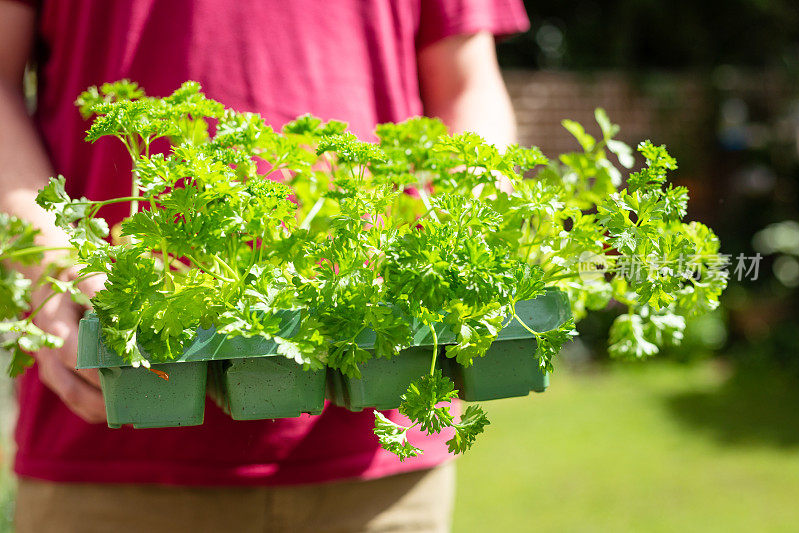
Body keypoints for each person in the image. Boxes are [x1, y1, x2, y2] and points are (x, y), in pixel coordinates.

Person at [0, 1, 528, 531]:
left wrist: (471, 242)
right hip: (107, 445)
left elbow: (466, 84)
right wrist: (52, 263)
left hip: (384, 431)